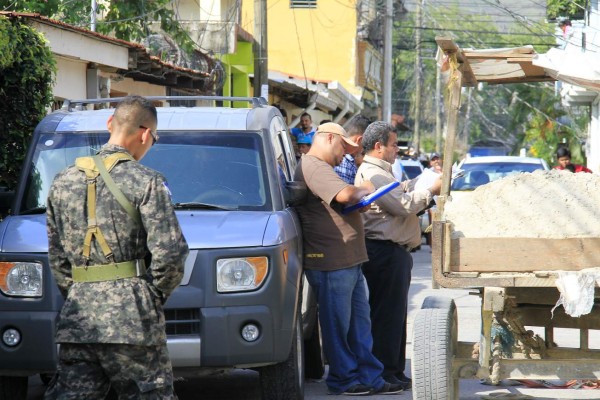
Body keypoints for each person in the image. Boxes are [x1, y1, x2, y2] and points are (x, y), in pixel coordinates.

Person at [45, 95, 189, 399]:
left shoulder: (62, 181)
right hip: (132, 320)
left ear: (110, 123)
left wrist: (80, 292)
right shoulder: (147, 181)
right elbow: (171, 254)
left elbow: (57, 259)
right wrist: (150, 296)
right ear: (146, 134)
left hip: (79, 319)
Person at [294, 122, 403, 396]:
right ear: (329, 138)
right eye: (343, 146)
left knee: (359, 326)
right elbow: (346, 194)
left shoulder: (324, 167)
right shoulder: (314, 166)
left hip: (347, 259)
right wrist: (367, 187)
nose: (345, 154)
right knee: (338, 327)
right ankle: (343, 379)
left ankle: (370, 377)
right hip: (331, 262)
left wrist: (360, 197)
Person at [355, 121, 442, 388]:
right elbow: (402, 205)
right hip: (384, 252)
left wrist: (418, 182)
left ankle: (393, 369)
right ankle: (383, 371)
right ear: (378, 147)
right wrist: (430, 191)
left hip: (393, 253)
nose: (397, 150)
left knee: (395, 314)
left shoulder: (383, 172)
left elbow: (399, 193)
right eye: (393, 145)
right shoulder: (373, 173)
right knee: (385, 316)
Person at [334, 114, 371, 184]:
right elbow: (344, 194)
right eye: (366, 144)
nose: (364, 149)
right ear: (360, 140)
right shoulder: (343, 162)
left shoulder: (348, 160)